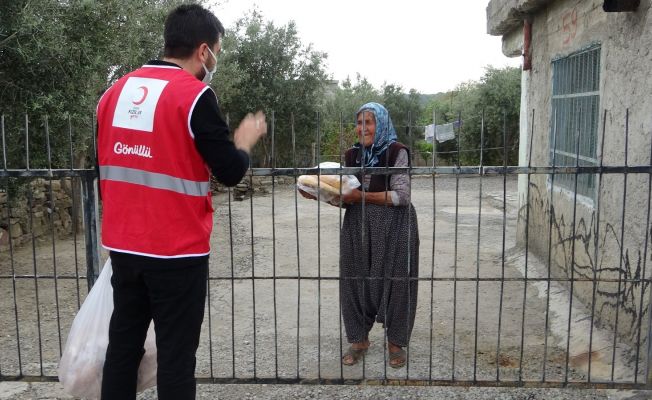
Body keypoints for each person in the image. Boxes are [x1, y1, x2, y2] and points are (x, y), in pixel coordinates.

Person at [96, 4, 266, 399]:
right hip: (177, 251)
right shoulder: (194, 95)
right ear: (203, 51)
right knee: (175, 357)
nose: (216, 60)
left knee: (123, 346)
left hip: (124, 246)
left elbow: (103, 166)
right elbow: (229, 171)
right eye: (218, 51)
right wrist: (242, 142)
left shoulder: (113, 93)